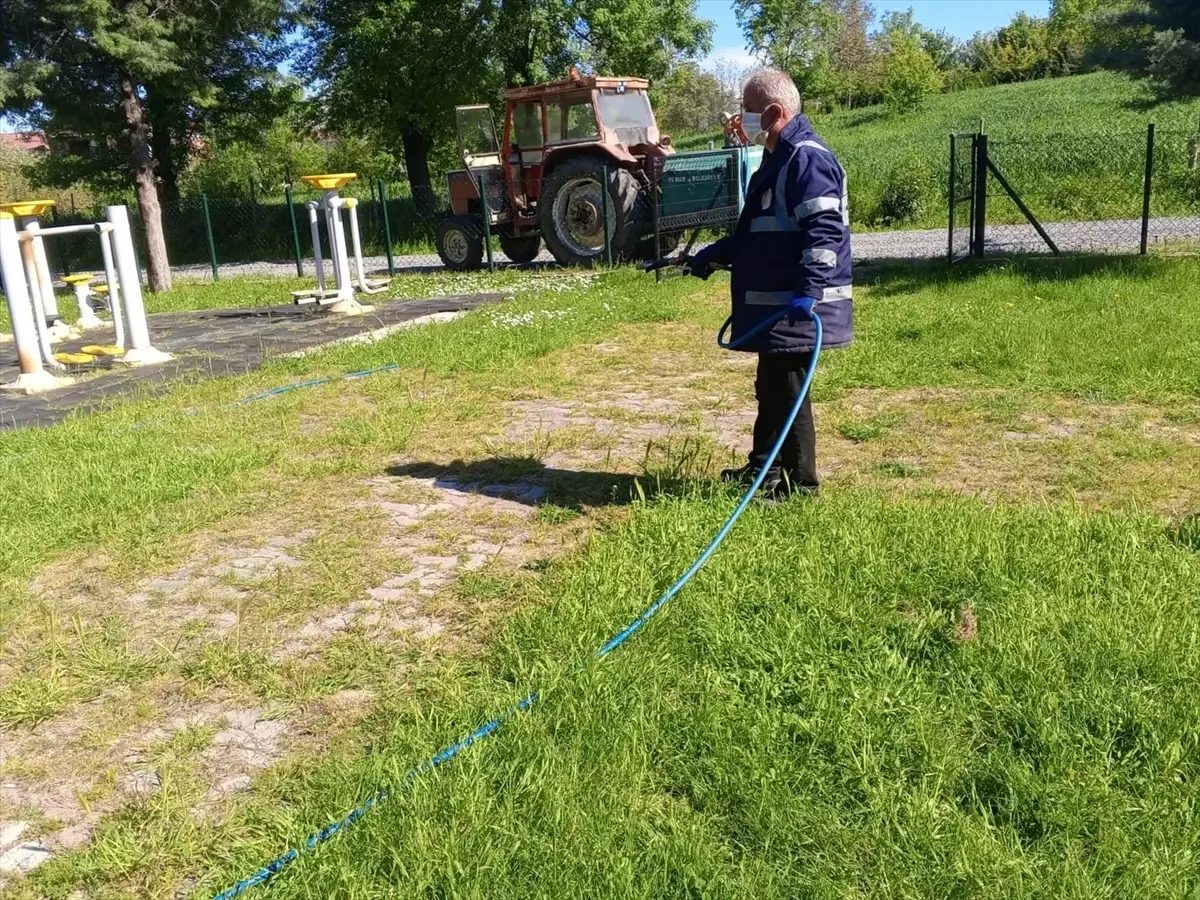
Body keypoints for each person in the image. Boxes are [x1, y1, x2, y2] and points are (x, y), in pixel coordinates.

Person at [684, 68, 853, 502]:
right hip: (778, 305)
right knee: (772, 387)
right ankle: (764, 471)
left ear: (775, 112)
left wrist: (810, 291)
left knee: (789, 393)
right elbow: (760, 231)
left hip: (798, 306)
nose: (742, 117)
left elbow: (824, 231)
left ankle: (801, 487)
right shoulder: (778, 158)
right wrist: (717, 253)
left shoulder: (807, 159)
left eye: (749, 109)